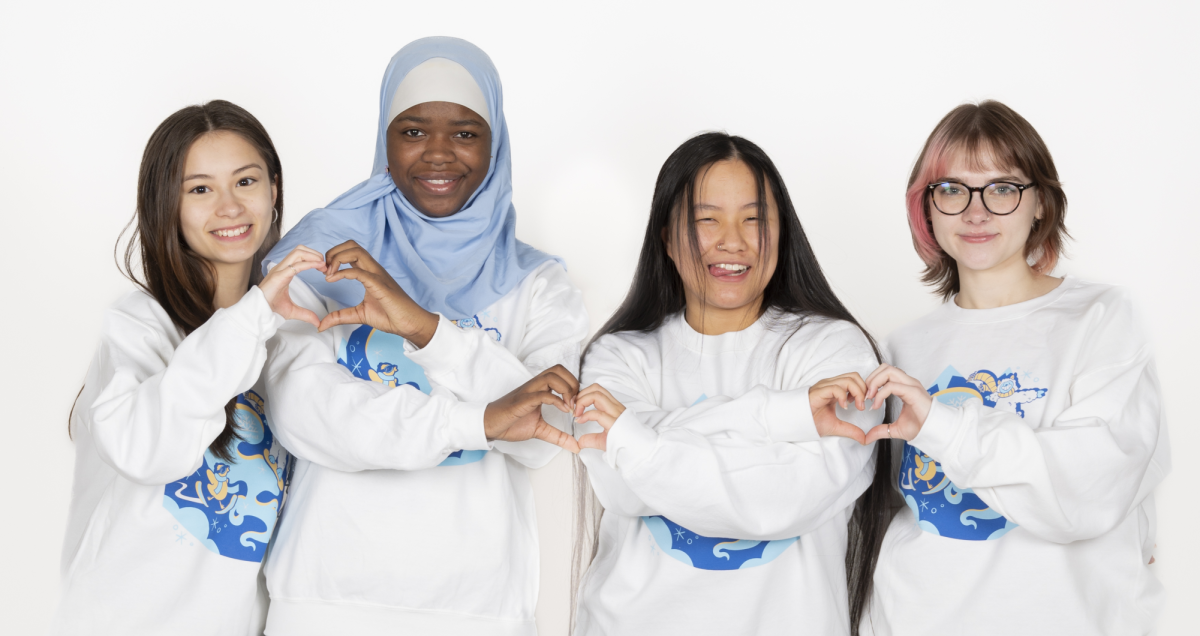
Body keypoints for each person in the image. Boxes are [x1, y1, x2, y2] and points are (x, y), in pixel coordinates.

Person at [259, 37, 589, 635]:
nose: (438, 155)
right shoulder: (320, 256)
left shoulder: (539, 283)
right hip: (325, 597)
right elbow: (303, 414)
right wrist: (478, 422)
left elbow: (548, 435)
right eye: (412, 131)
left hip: (479, 607)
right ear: (384, 137)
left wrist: (424, 327)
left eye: (465, 132)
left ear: (497, 143)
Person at [857, 100, 1170, 635]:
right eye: (951, 189)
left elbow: (1087, 491)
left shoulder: (1100, 319)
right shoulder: (898, 350)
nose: (975, 213)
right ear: (926, 209)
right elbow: (882, 516)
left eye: (1003, 188)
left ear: (1041, 204)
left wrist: (941, 423)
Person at [570, 132, 885, 635]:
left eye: (754, 218)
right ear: (667, 239)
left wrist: (642, 437)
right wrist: (785, 416)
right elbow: (623, 487)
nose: (732, 241)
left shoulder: (836, 351)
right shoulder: (619, 355)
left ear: (783, 234)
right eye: (706, 219)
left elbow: (785, 500)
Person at [53, 100, 324, 635]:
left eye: (245, 181)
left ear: (273, 190)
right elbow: (149, 450)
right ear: (167, 205)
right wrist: (252, 317)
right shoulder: (138, 325)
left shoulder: (292, 325)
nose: (229, 206)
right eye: (199, 189)